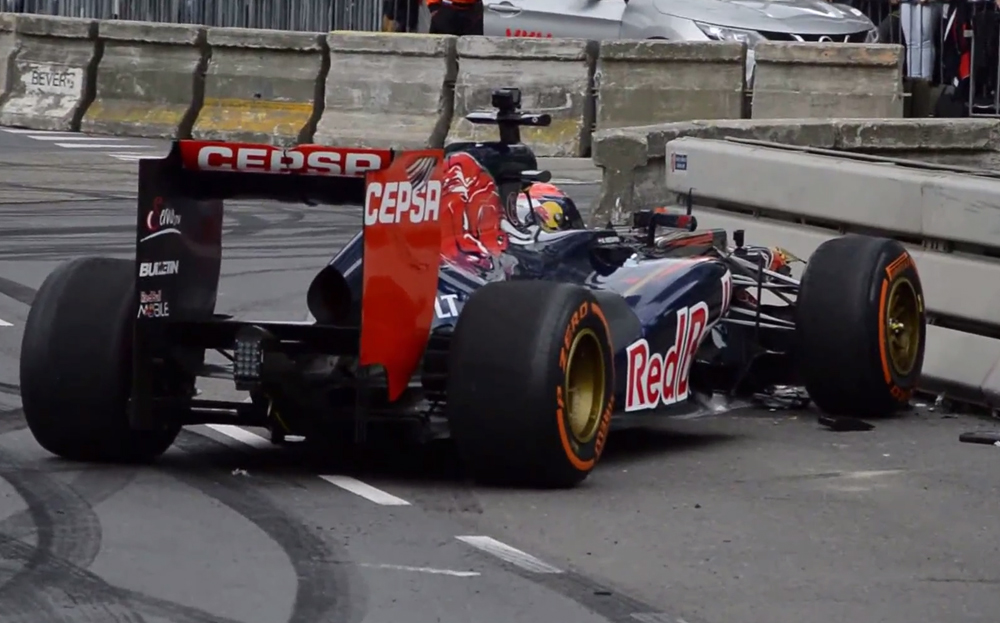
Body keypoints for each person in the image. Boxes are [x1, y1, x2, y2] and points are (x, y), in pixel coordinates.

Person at [896, 0, 943, 80]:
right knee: (911, 44)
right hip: (906, 2)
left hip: (928, 4)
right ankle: (913, 81)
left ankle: (926, 81)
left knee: (925, 42)